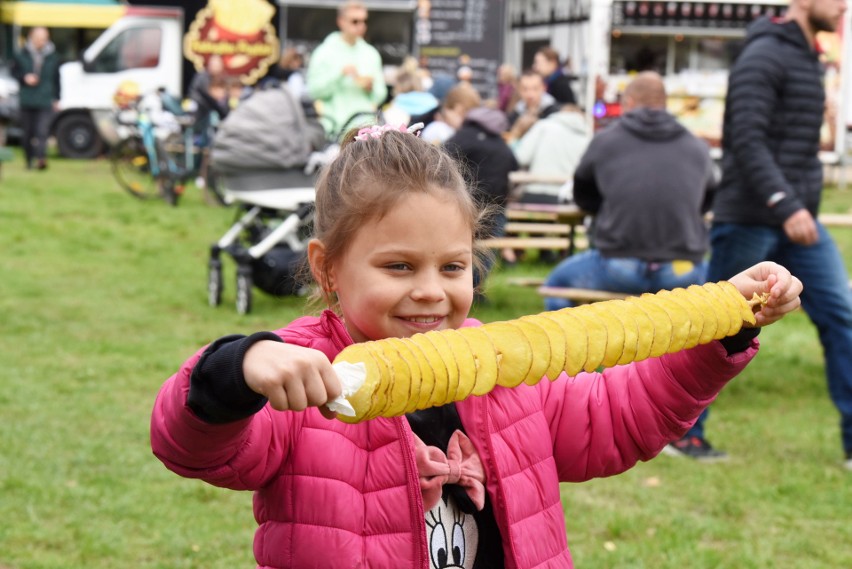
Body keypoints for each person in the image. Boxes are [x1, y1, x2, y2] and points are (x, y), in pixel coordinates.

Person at [150, 123, 803, 568]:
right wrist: (237, 369)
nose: (432, 292)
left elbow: (618, 416)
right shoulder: (306, 374)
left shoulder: (500, 366)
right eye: (399, 267)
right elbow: (194, 444)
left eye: (453, 267)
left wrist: (723, 321)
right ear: (327, 269)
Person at [670, 0, 852, 468]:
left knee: (842, 318)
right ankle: (683, 433)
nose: (843, 6)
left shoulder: (808, 56)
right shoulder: (765, 54)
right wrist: (784, 202)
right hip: (753, 218)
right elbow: (746, 139)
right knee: (719, 326)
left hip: (799, 224)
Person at [543, 72, 716, 311]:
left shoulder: (605, 141)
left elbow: (583, 195)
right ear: (663, 104)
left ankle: (579, 347)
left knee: (557, 285)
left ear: (630, 103)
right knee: (722, 288)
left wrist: (610, 206)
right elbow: (707, 202)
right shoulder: (697, 147)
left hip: (620, 263)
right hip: (682, 268)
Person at [444, 106, 519, 291]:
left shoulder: (462, 137)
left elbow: (441, 160)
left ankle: (461, 288)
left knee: (460, 249)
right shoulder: (501, 144)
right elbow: (514, 165)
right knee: (487, 249)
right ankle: (475, 288)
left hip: (463, 206)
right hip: (496, 205)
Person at [305, 1, 388, 138]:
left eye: (363, 21)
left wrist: (370, 87)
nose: (361, 26)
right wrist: (340, 74)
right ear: (341, 21)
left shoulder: (371, 53)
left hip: (367, 129)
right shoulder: (324, 52)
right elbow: (314, 91)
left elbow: (380, 95)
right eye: (355, 21)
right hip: (335, 129)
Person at [512, 104, 591, 205]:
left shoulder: (543, 126)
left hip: (535, 192)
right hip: (565, 197)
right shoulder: (586, 138)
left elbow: (521, 157)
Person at [11, 27, 60, 170]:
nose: (42, 41)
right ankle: (28, 161)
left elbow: (57, 79)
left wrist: (57, 98)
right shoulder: (21, 55)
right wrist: (24, 78)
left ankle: (41, 158)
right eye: (39, 38)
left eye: (44, 38)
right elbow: (14, 72)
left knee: (42, 132)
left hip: (45, 99)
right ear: (31, 37)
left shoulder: (53, 56)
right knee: (27, 133)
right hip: (27, 99)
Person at [504, 70, 559, 142]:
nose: (530, 94)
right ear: (519, 90)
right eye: (525, 89)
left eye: (535, 89)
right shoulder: (515, 112)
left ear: (544, 88)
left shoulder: (555, 114)